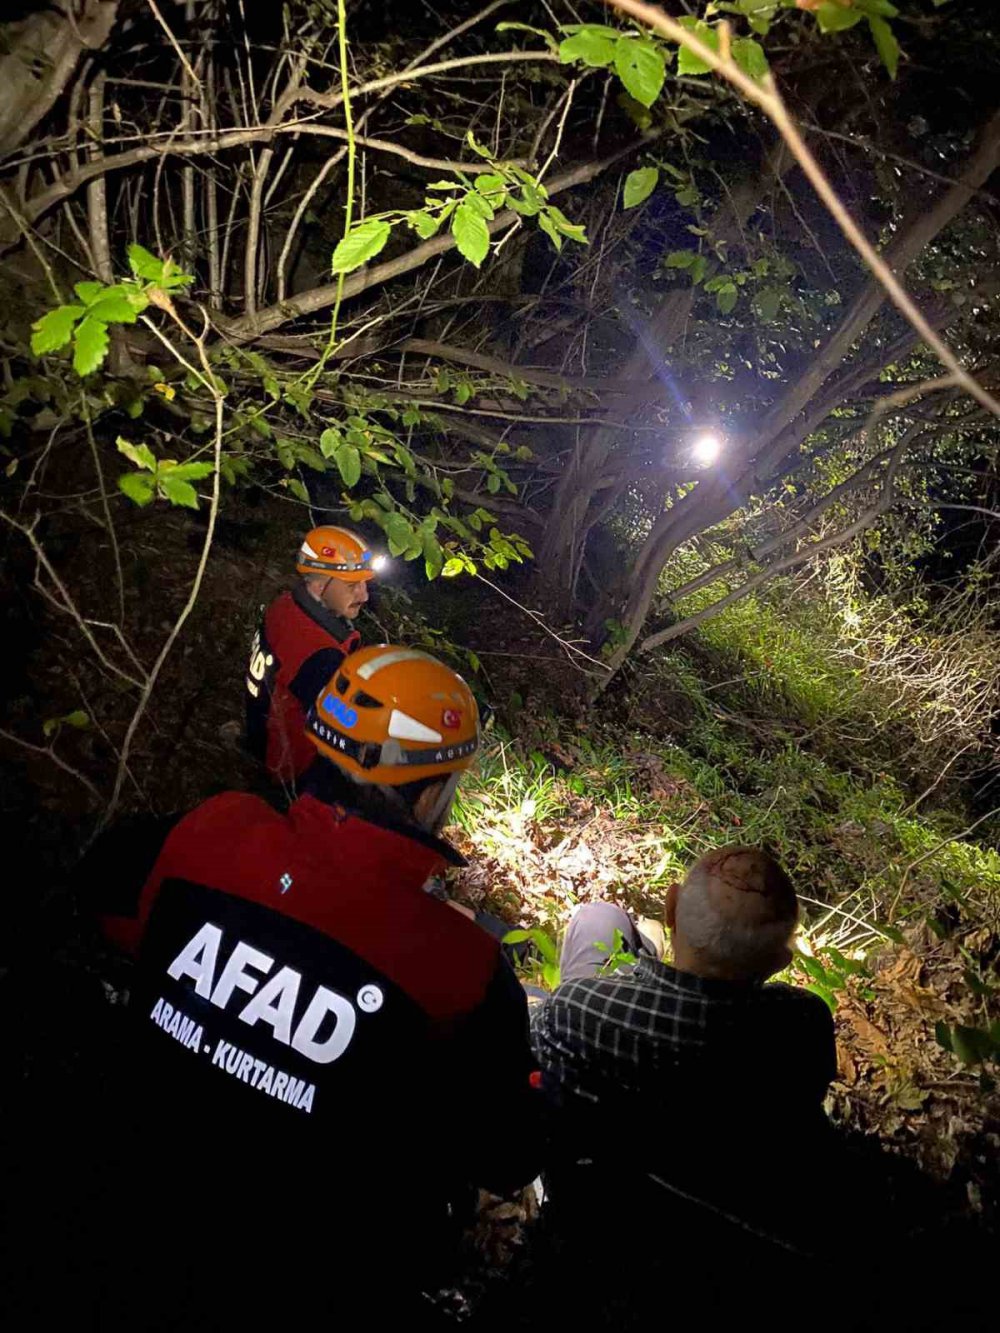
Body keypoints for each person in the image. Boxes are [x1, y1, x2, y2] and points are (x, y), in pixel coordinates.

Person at [80, 645, 539, 1325]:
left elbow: (106, 905)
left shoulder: (215, 826)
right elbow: (506, 1153)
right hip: (304, 1280)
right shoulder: (463, 968)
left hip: (111, 1206)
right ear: (429, 791)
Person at [531, 845, 837, 1223]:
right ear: (778, 963)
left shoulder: (574, 1009)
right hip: (722, 1206)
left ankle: (648, 944)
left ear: (671, 907)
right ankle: (648, 944)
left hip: (598, 1204)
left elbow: (535, 1082)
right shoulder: (804, 1024)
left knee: (598, 918)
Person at [244, 524, 379, 785]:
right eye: (353, 585)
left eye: (365, 583)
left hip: (261, 731)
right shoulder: (320, 656)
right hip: (291, 768)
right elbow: (347, 723)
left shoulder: (286, 604)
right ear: (318, 587)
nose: (364, 595)